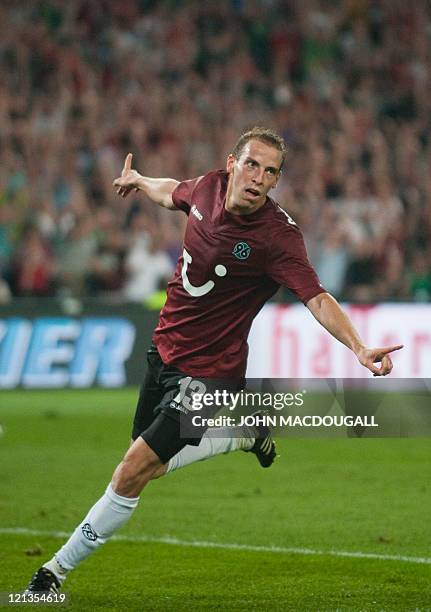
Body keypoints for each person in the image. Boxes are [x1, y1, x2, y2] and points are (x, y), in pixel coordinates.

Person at [26, 127, 403, 593]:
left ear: (276, 181)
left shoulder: (277, 238)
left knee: (131, 471)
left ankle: (53, 573)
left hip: (211, 374)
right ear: (232, 163)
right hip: (164, 350)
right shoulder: (207, 186)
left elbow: (318, 297)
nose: (259, 178)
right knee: (151, 463)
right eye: (252, 164)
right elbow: (174, 194)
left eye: (270, 172)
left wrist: (359, 347)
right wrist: (142, 181)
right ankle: (242, 435)